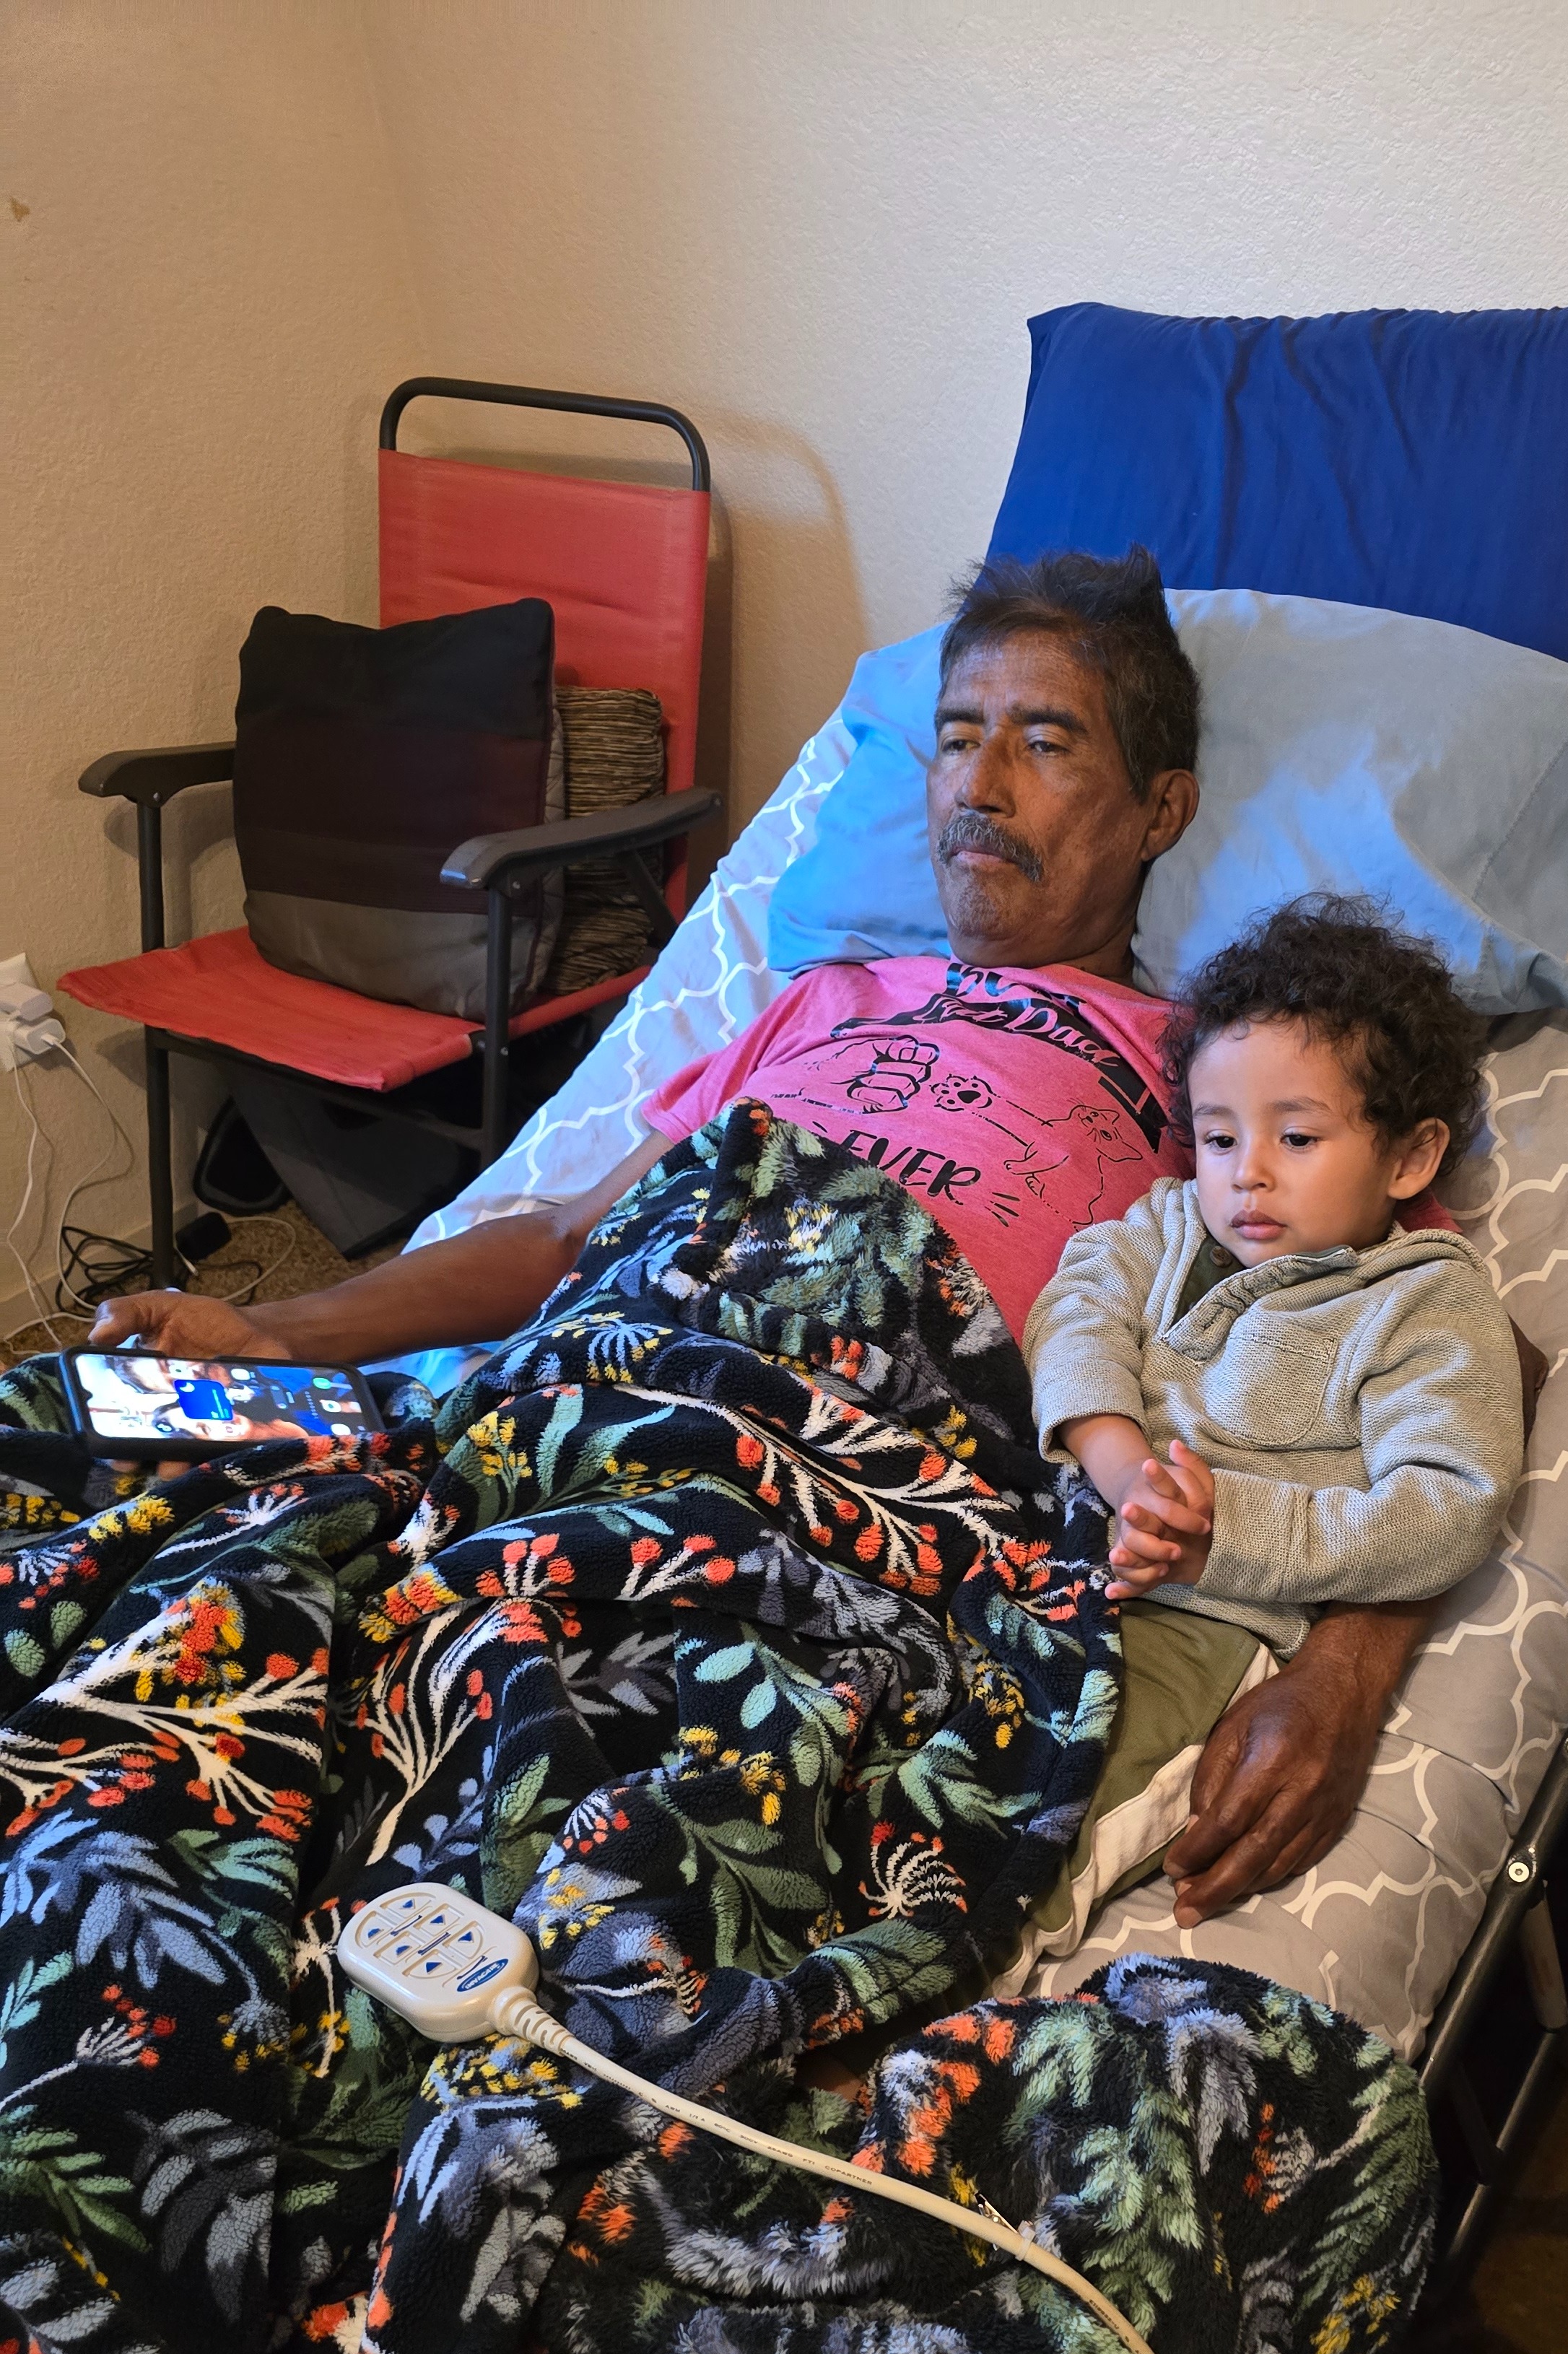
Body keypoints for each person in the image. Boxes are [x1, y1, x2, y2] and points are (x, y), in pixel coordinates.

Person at [88, 549, 1459, 1930]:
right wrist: (273, 1330)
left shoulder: (1224, 1072)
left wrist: (1342, 1675)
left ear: (1163, 809)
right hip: (603, 1370)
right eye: (957, 741)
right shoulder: (826, 999)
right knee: (152, 1542)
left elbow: (1445, 1338)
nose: (979, 788)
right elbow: (568, 1236)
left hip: (850, 1453)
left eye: (1045, 745)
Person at [1010, 901, 1523, 1969]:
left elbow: (1450, 1505)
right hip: (1044, 1550)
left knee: (1057, 1805)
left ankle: (975, 1948)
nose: (1246, 1171)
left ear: (1410, 1157)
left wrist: (1223, 1533)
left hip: (1206, 1629)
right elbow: (1074, 1312)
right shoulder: (1166, 1225)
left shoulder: (1422, 1305)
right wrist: (1122, 1469)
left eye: (1296, 1138)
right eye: (1218, 1136)